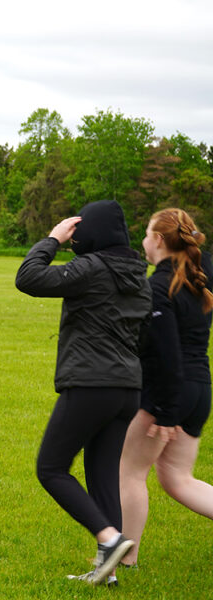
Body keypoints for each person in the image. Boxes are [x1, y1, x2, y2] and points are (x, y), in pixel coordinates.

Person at [15, 200, 151, 586]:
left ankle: (109, 538)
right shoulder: (139, 277)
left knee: (51, 468)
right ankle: (108, 572)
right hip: (128, 390)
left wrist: (52, 240)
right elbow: (145, 337)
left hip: (92, 383)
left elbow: (29, 278)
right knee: (102, 475)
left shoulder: (91, 268)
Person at [119, 208, 213, 567]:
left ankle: (124, 560)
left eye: (147, 234)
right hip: (199, 391)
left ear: (158, 240)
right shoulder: (200, 275)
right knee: (177, 479)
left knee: (128, 472)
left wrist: (166, 411)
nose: (143, 241)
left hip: (170, 393)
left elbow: (168, 356)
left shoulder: (159, 287)